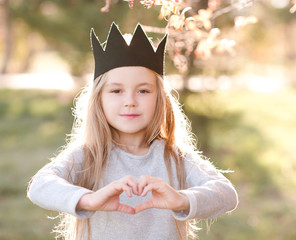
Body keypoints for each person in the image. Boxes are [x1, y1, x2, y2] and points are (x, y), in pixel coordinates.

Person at [27, 22, 238, 240]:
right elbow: (40, 186)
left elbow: (226, 193)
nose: (130, 101)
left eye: (143, 91)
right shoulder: (89, 155)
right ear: (99, 99)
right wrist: (88, 199)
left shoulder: (174, 157)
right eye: (116, 90)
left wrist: (181, 200)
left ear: (160, 99)